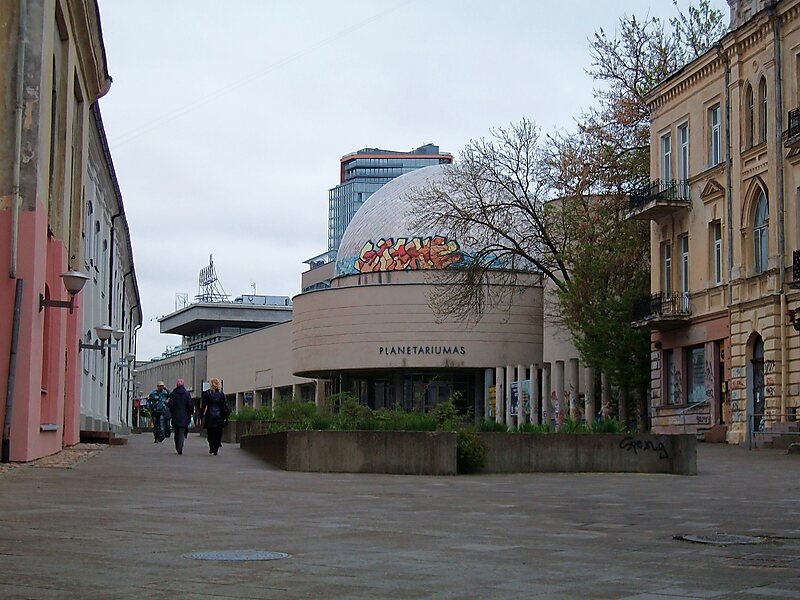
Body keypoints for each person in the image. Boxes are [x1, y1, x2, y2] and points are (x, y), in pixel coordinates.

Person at [200, 377, 229, 455]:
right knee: (218, 433)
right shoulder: (221, 394)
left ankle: (211, 445)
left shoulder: (207, 393)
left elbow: (203, 405)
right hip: (219, 416)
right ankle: (216, 447)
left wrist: (201, 414)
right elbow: (225, 405)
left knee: (210, 432)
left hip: (210, 415)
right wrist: (225, 416)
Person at [168, 378, 194, 455]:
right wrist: (190, 413)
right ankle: (180, 447)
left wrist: (172, 411)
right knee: (182, 432)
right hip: (184, 415)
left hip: (175, 415)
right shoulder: (187, 394)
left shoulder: (173, 394)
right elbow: (190, 405)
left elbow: (170, 405)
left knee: (176, 432)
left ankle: (177, 446)